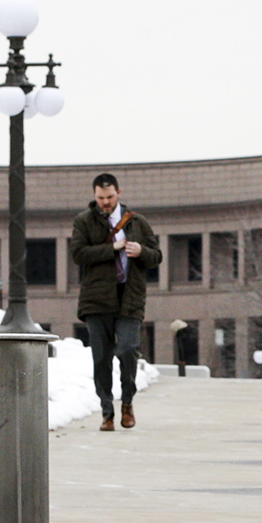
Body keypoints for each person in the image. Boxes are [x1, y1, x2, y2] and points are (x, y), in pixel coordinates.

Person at [72, 172, 161, 431]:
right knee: (101, 358)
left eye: (110, 197)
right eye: (100, 197)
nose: (105, 202)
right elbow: (78, 254)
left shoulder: (138, 223)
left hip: (129, 299)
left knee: (127, 350)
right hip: (96, 301)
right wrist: (111, 248)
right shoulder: (84, 221)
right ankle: (107, 412)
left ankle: (128, 402)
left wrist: (141, 251)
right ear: (94, 195)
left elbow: (157, 256)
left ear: (118, 193)